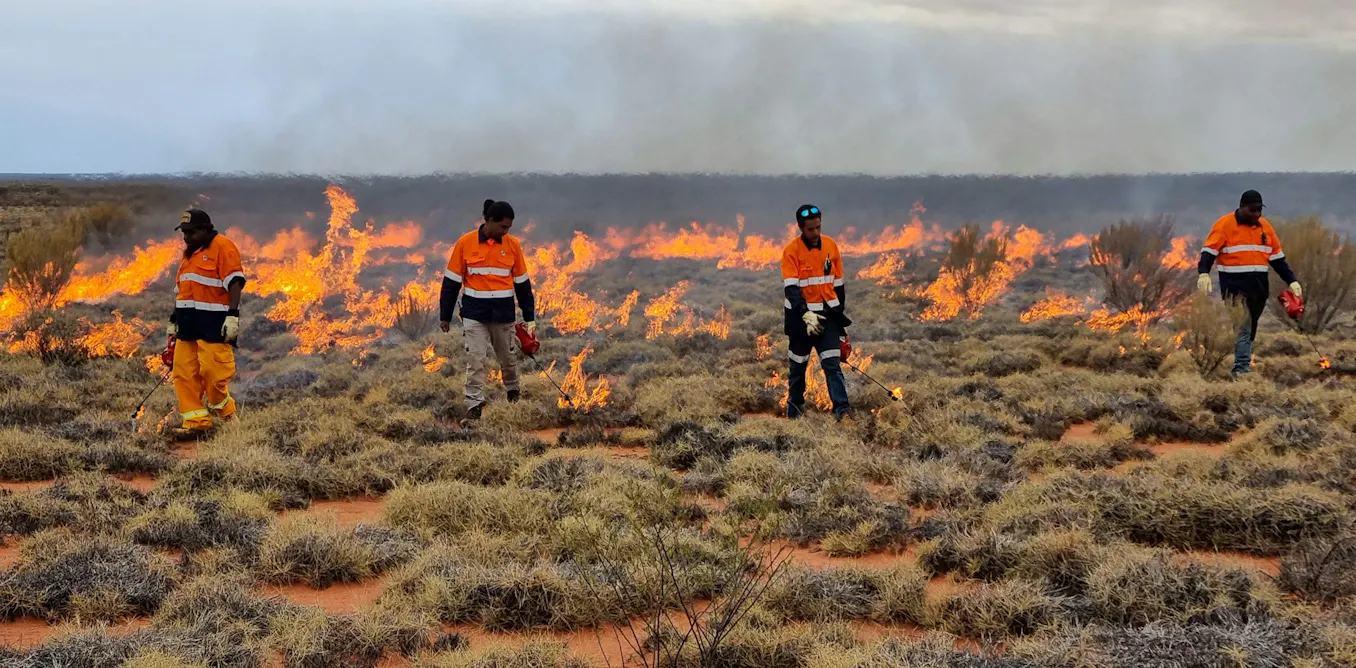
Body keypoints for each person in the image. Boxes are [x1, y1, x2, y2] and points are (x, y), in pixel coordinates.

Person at [440, 199, 536, 421]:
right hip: (475, 315)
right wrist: (445, 316)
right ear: (490, 221)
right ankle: (474, 406)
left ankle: (513, 392)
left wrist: (529, 318)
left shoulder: (513, 245)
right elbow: (451, 283)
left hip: (503, 315)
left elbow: (522, 285)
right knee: (475, 360)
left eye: (509, 228)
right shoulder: (465, 243)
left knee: (508, 359)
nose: (506, 231)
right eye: (503, 227)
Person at [1197, 189, 1302, 377]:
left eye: (1259, 210)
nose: (1256, 214)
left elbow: (1277, 259)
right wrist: (1203, 272)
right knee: (1243, 327)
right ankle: (1241, 370)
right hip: (1234, 288)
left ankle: (1243, 360)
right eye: (1253, 210)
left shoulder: (1265, 227)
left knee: (1250, 327)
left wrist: (1291, 280)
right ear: (1242, 207)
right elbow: (1209, 252)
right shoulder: (1224, 225)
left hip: (1259, 289)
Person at [166, 209, 246, 440]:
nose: (186, 237)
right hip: (188, 324)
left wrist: (232, 316)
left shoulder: (223, 247)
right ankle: (195, 422)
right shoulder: (188, 255)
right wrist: (174, 320)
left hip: (214, 323)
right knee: (184, 373)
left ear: (205, 229)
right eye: (184, 232)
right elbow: (182, 290)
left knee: (213, 373)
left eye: (191, 232)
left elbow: (235, 283)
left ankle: (227, 414)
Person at [781, 204, 851, 420]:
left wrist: (840, 322)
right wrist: (806, 314)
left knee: (832, 365)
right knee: (798, 366)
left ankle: (843, 412)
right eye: (811, 229)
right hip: (800, 320)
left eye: (818, 227)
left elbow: (838, 285)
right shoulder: (791, 251)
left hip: (828, 317)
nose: (815, 233)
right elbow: (792, 290)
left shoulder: (831, 245)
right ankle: (794, 412)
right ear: (801, 228)